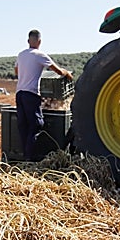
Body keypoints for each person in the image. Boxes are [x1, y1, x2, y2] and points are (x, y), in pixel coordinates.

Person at [14, 29, 72, 162]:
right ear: (39, 42)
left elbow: (16, 71)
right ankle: (31, 158)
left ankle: (24, 156)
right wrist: (67, 74)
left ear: (28, 41)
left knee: (23, 125)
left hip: (19, 93)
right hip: (31, 94)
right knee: (36, 125)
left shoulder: (21, 54)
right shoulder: (40, 55)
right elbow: (58, 71)